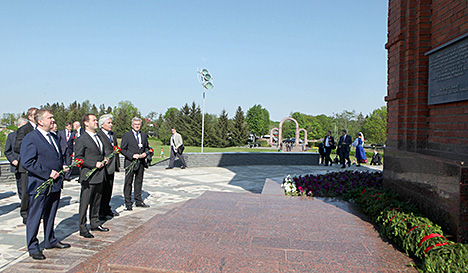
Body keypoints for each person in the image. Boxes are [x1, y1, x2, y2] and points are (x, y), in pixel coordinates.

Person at [20, 108, 71, 260]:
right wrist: (47, 173)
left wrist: (61, 167)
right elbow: (28, 162)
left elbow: (56, 157)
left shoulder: (53, 137)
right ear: (40, 121)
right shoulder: (31, 138)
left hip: (54, 184)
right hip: (39, 184)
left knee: (51, 214)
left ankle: (50, 239)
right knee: (35, 217)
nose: (53, 121)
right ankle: (33, 246)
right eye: (50, 118)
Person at [74, 114, 111, 238]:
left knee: (97, 201)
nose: (96, 122)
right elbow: (78, 159)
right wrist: (93, 164)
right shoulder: (82, 139)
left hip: (100, 175)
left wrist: (104, 159)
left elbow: (98, 153)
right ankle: (83, 227)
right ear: (86, 123)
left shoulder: (98, 137)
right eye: (94, 120)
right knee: (85, 202)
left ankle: (95, 223)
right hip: (88, 176)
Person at [14, 107, 38, 224]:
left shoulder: (40, 129)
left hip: (38, 166)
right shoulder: (24, 129)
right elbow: (17, 147)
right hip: (25, 167)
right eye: (35, 115)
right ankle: (25, 214)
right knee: (25, 192)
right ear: (30, 117)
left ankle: (35, 212)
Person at [121, 117, 150, 211]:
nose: (137, 126)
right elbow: (122, 149)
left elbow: (147, 147)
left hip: (141, 163)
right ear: (132, 125)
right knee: (128, 183)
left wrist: (146, 153)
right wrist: (132, 155)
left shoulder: (144, 135)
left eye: (139, 124)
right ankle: (128, 202)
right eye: (135, 124)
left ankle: (138, 200)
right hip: (130, 163)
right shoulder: (127, 135)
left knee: (138, 182)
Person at [97, 114, 120, 220]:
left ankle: (107, 208)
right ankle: (100, 211)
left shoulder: (112, 135)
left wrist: (117, 164)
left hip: (112, 165)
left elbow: (116, 150)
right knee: (102, 189)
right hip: (104, 166)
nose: (111, 125)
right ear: (102, 124)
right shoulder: (99, 135)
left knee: (109, 189)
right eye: (108, 123)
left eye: (111, 122)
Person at [5, 118, 28, 200]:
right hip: (17, 165)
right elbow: (7, 151)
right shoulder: (12, 136)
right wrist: (13, 160)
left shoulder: (30, 135)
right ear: (18, 126)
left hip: (28, 165)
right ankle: (23, 202)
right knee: (21, 185)